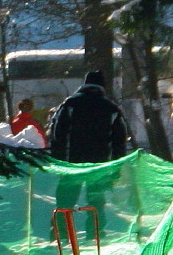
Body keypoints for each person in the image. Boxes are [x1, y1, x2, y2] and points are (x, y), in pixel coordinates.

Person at [47, 70, 129, 222]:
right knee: (96, 202)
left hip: (71, 163)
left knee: (65, 201)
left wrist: (58, 160)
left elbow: (57, 133)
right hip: (99, 165)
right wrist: (115, 167)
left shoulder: (69, 104)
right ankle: (95, 234)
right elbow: (119, 141)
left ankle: (60, 234)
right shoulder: (111, 108)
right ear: (102, 87)